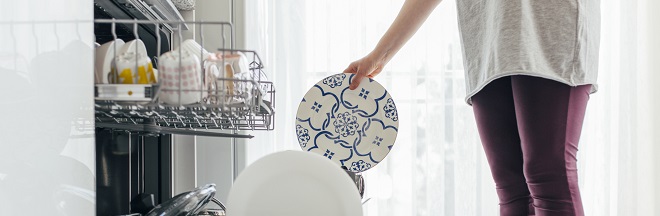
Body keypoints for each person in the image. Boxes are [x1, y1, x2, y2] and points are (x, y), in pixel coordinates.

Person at [344, 0, 600, 215]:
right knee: (511, 189)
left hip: (549, 23)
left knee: (547, 175)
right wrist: (380, 55)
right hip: (487, 37)